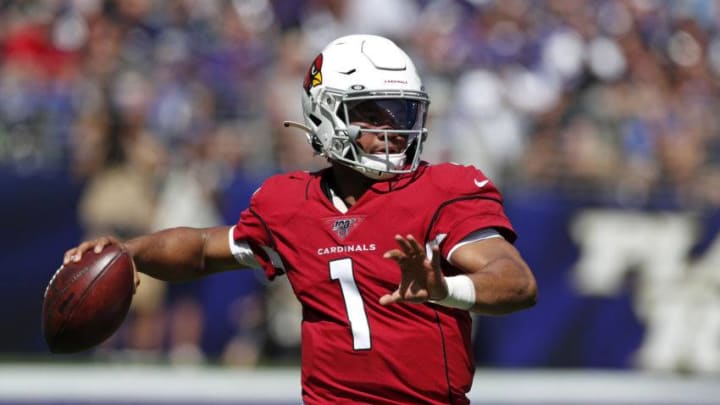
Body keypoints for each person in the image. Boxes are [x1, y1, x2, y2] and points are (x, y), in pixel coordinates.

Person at [63, 34, 538, 405]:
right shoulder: (288, 203)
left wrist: (446, 290)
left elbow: (515, 281)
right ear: (327, 115)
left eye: (402, 112)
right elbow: (205, 248)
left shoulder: (444, 189)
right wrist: (131, 251)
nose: (392, 131)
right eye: (372, 114)